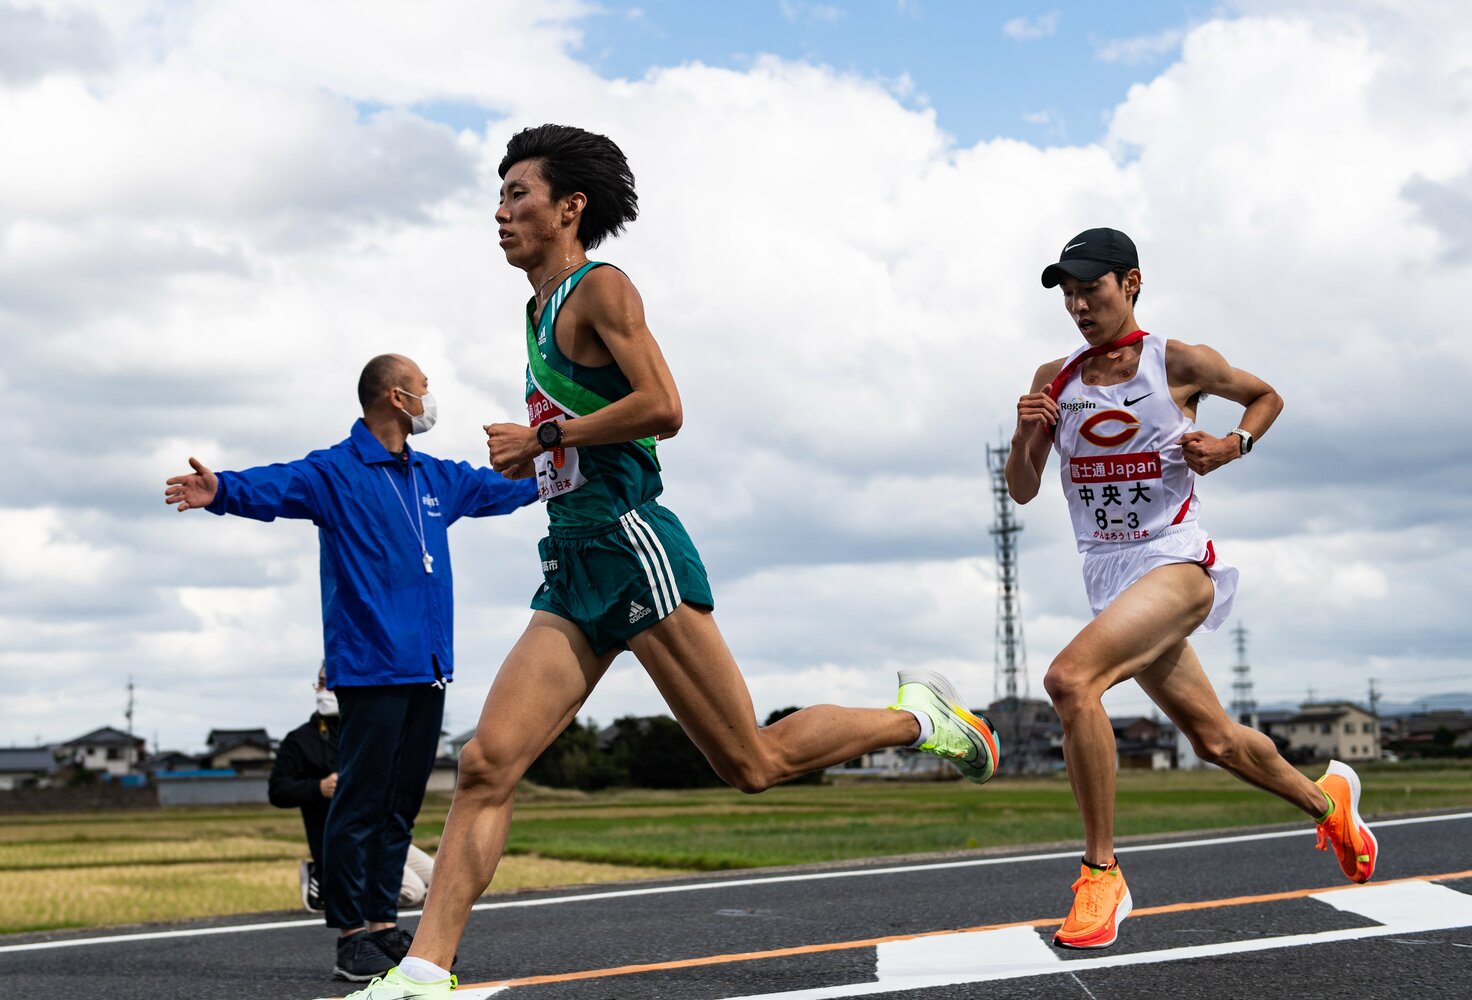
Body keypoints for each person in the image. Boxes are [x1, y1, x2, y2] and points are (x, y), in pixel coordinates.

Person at [342, 124, 1000, 999]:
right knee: (486, 763)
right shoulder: (535, 311)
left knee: (752, 764)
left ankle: (918, 720)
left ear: (569, 208)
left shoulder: (601, 287)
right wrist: (536, 463)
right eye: (498, 196)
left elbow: (664, 406)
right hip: (573, 560)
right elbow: (584, 440)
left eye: (518, 194)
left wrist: (545, 437)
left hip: (633, 544)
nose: (500, 212)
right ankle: (426, 972)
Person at [1005, 228, 1378, 950]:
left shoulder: (1177, 361)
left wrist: (1233, 445)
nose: (1079, 306)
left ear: (1131, 283)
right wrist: (1026, 438)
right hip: (1109, 578)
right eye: (1069, 295)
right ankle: (1328, 804)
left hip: (1175, 563)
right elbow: (1022, 490)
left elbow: (1265, 396)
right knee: (1214, 741)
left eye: (1092, 290)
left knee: (1070, 680)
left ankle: (1101, 874)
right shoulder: (1054, 377)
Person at [164, 354, 537, 981]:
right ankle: (350, 935)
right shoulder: (335, 471)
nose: (429, 398)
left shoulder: (432, 476)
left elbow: (498, 489)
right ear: (396, 397)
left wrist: (562, 467)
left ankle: (384, 925)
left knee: (399, 805)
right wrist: (221, 490)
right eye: (423, 388)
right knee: (360, 803)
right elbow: (277, 485)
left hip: (429, 664)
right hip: (370, 665)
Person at [269, 664, 437, 914]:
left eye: (333, 682)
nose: (326, 689)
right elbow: (277, 791)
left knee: (438, 879)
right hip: (340, 838)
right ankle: (327, 883)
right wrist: (318, 787)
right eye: (322, 682)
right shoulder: (299, 740)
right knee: (411, 892)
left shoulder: (369, 730)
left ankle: (336, 885)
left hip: (380, 830)